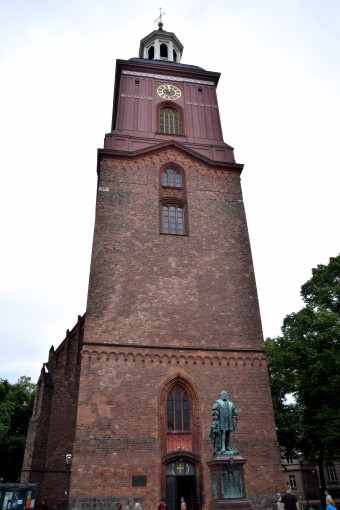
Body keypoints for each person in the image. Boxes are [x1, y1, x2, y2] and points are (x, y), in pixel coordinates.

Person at [210, 390, 239, 455]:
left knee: (228, 433)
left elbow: (234, 411)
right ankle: (223, 447)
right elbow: (215, 413)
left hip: (229, 421)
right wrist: (215, 421)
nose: (224, 396)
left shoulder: (231, 403)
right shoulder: (218, 402)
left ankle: (227, 446)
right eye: (223, 394)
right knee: (223, 433)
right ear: (220, 396)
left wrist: (236, 415)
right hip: (221, 421)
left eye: (225, 394)